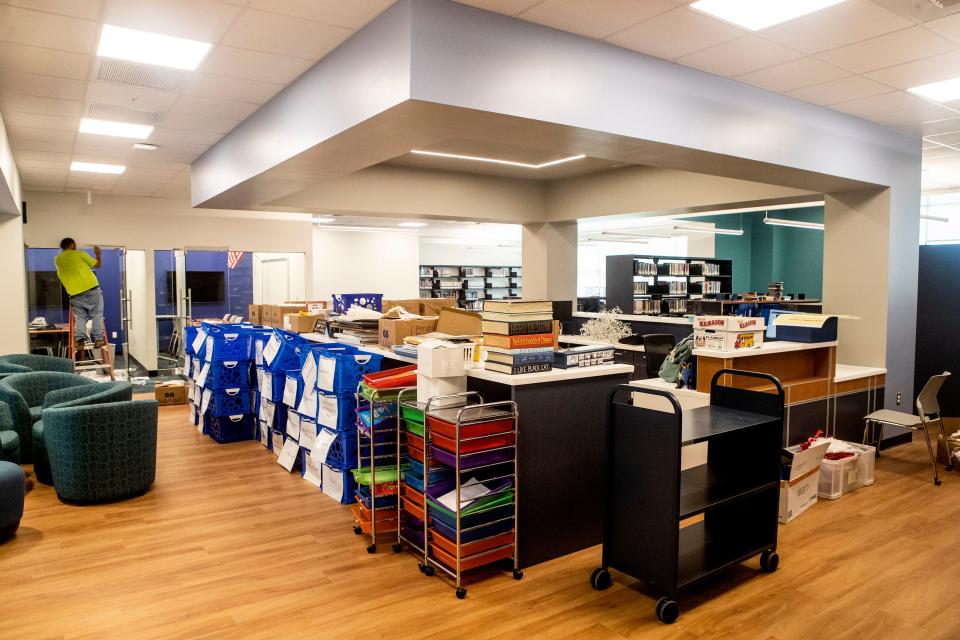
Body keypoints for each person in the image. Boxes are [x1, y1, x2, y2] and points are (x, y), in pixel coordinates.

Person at [54, 238, 105, 356]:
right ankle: (98, 339)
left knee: (80, 318)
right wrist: (98, 254)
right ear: (72, 244)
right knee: (96, 314)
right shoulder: (80, 254)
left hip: (75, 294)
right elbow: (98, 265)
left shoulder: (57, 259)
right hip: (91, 290)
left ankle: (80, 341)